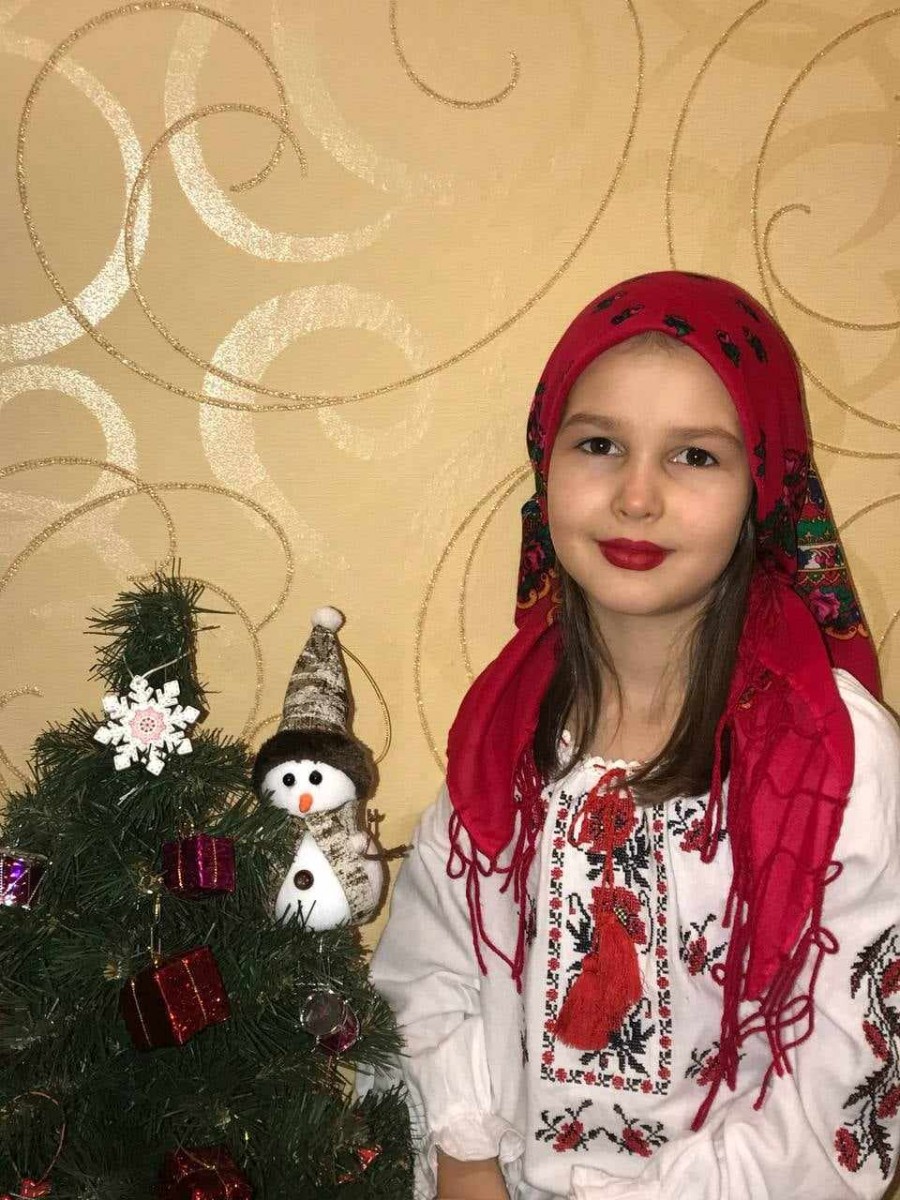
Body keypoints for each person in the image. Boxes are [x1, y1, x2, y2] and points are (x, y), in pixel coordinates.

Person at [369, 271, 900, 1199]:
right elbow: (432, 964)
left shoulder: (842, 760)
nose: (637, 497)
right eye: (600, 444)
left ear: (763, 487)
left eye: (695, 455)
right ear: (547, 466)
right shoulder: (507, 729)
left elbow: (840, 1094)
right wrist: (464, 1156)